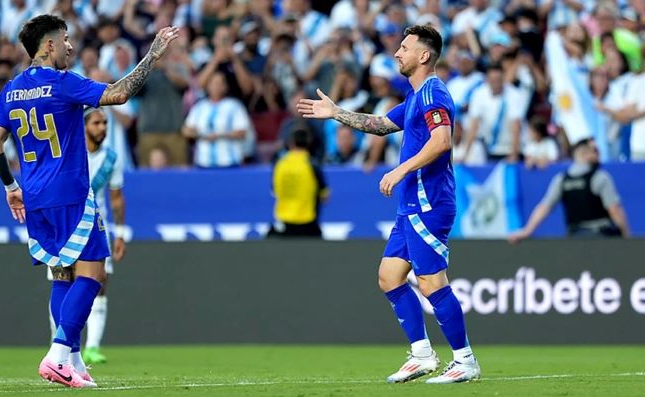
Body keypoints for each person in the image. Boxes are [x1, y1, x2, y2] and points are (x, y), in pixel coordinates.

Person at [0, 14, 177, 388]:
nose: (71, 46)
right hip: (71, 193)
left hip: (36, 196)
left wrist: (11, 187)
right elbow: (118, 94)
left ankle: (73, 360)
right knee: (93, 274)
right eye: (67, 39)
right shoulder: (62, 83)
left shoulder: (11, 90)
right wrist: (152, 55)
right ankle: (57, 356)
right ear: (50, 45)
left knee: (62, 274)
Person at [297, 25, 481, 383]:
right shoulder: (414, 98)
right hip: (410, 204)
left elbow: (442, 141)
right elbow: (380, 124)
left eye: (404, 47)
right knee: (390, 276)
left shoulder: (433, 94)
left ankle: (465, 360)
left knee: (430, 281)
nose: (397, 53)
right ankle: (422, 355)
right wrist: (336, 113)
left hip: (430, 202)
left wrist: (400, 171)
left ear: (423, 56)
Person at [47, 107, 127, 365]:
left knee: (98, 285)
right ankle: (61, 344)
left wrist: (121, 233)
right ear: (83, 126)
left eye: (105, 123)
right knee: (64, 282)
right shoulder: (68, 153)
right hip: (66, 225)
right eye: (96, 123)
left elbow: (116, 198)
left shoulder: (112, 159)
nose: (102, 127)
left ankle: (91, 347)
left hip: (95, 226)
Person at [509, 138, 629, 242]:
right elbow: (614, 210)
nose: (598, 156)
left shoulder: (562, 179)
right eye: (595, 152)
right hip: (601, 237)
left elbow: (544, 206)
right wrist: (626, 235)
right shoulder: (600, 177)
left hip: (574, 237)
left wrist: (527, 230)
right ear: (584, 154)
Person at [268, 129, 329, 238]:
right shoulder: (312, 165)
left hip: (284, 223)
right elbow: (325, 195)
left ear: (291, 143)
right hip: (308, 223)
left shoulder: (280, 164)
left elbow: (275, 191)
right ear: (309, 143)